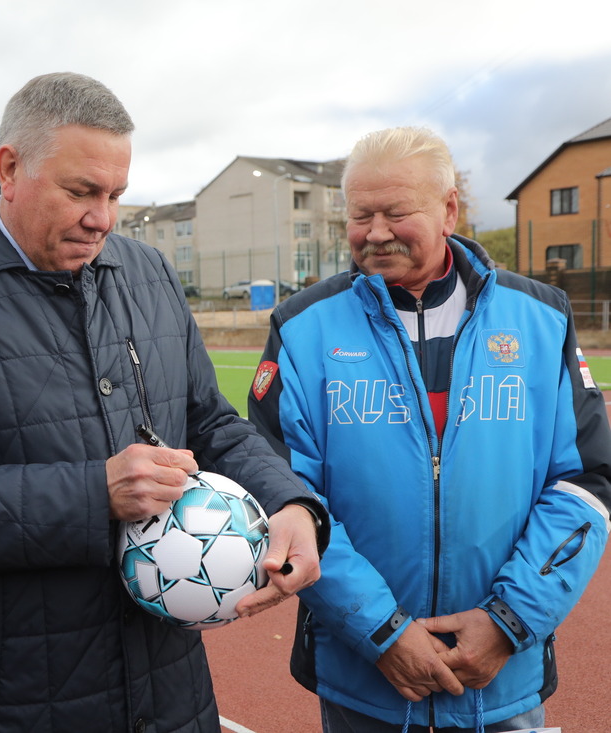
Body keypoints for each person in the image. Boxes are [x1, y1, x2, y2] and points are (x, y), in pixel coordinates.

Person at [0, 71, 329, 732]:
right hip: (10, 703)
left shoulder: (148, 272)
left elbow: (209, 420)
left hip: (171, 693)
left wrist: (291, 502)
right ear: (10, 168)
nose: (102, 217)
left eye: (116, 194)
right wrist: (91, 494)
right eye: (81, 191)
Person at [247, 126, 611, 732]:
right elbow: (285, 495)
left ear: (449, 209)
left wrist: (507, 622)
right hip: (365, 681)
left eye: (396, 211)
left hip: (503, 679)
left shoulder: (541, 319)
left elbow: (586, 482)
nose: (377, 231)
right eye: (360, 214)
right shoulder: (301, 328)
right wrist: (382, 632)